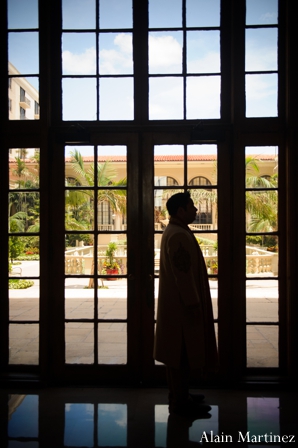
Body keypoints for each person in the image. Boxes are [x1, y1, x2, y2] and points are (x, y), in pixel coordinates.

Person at [154, 191, 218, 416]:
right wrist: (193, 304)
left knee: (178, 354)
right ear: (181, 211)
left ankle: (181, 395)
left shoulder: (175, 230)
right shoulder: (178, 234)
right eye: (192, 207)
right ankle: (180, 402)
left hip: (177, 305)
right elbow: (183, 275)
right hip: (181, 307)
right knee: (180, 355)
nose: (196, 210)